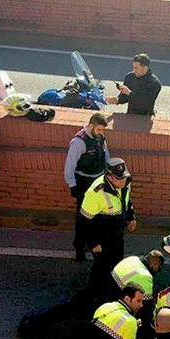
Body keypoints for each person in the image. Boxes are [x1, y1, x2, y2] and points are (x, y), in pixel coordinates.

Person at [80, 157, 137, 305]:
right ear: (108, 176)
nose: (123, 181)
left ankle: (113, 291)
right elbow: (85, 221)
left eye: (124, 177)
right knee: (101, 266)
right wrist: (93, 243)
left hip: (117, 232)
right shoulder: (95, 192)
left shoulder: (125, 182)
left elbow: (127, 200)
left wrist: (131, 217)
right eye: (119, 179)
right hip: (101, 235)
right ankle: (92, 296)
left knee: (117, 262)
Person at [64, 112, 110, 263]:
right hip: (84, 183)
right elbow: (69, 167)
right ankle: (79, 247)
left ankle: (94, 243)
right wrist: (73, 185)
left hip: (99, 181)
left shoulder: (100, 137)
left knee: (98, 216)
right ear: (91, 126)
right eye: (99, 129)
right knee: (83, 218)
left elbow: (106, 156)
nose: (101, 133)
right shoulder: (78, 142)